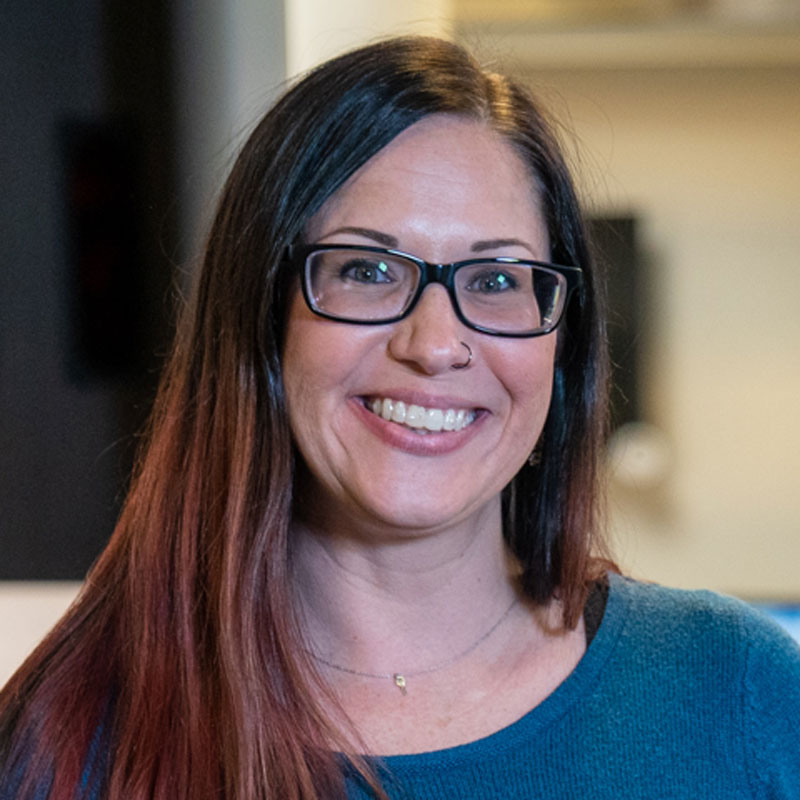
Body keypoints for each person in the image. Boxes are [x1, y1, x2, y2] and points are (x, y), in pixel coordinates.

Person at [1, 35, 798, 800]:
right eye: (368, 270)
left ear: (564, 343)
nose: (436, 343)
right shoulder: (68, 742)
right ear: (259, 318)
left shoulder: (741, 694)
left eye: (495, 280)